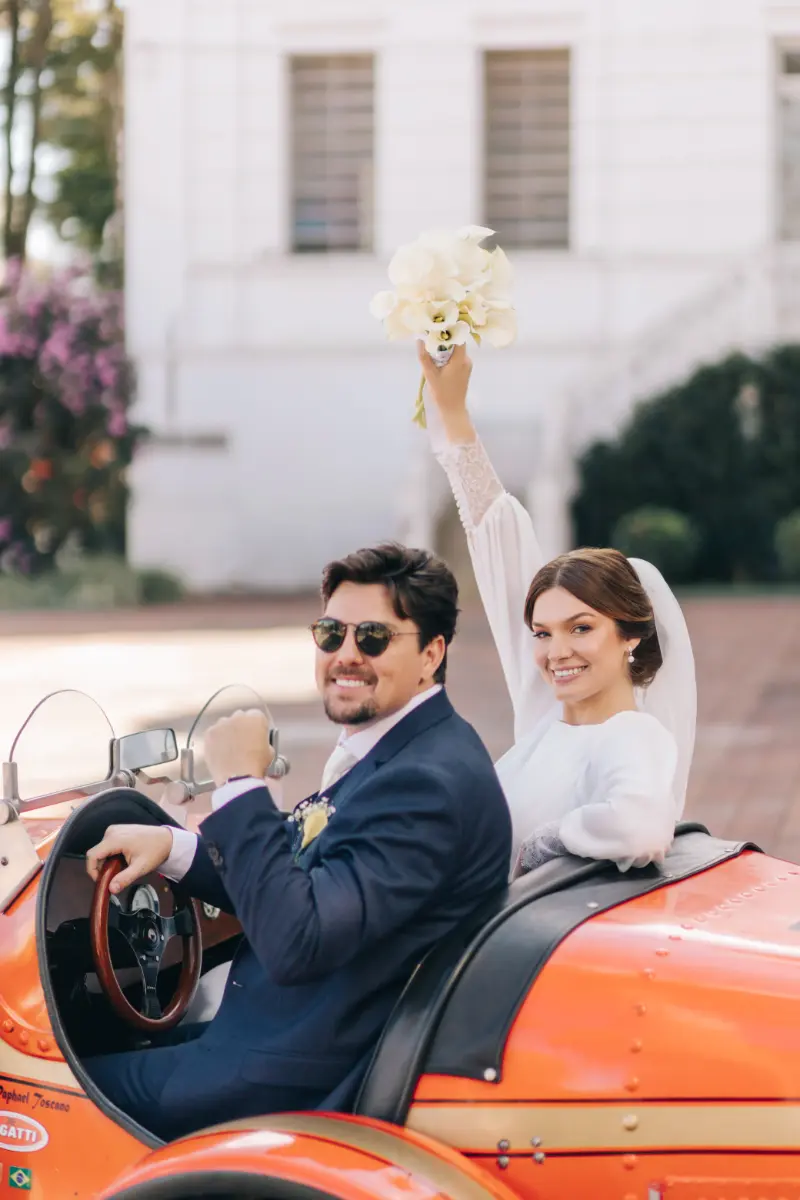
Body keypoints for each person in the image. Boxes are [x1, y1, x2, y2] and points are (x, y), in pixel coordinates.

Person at [83, 543, 511, 1142]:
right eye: (331, 633)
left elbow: (295, 939)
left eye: (374, 637)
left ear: (431, 652)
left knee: (42, 1093)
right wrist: (174, 848)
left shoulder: (426, 784)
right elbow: (304, 865)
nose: (346, 655)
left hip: (293, 1073)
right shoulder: (411, 750)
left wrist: (239, 784)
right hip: (276, 1037)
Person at [417, 343, 697, 877]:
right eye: (542, 633)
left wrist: (546, 845)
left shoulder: (632, 735)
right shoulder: (547, 712)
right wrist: (451, 412)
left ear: (630, 635)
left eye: (582, 628)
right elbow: (496, 535)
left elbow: (640, 827)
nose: (555, 652)